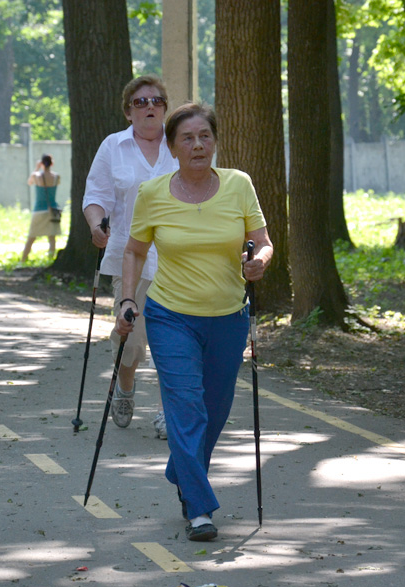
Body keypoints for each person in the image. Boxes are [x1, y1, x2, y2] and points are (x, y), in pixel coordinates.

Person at [115, 103, 273, 542]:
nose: (198, 145)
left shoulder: (239, 185)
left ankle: (181, 468)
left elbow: (262, 242)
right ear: (172, 147)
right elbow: (135, 251)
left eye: (205, 136)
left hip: (228, 317)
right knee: (186, 406)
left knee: (216, 410)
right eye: (187, 138)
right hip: (171, 316)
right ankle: (198, 508)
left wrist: (259, 261)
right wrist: (128, 299)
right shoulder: (154, 193)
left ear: (215, 141)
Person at [82, 74, 179, 434]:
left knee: (173, 338)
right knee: (133, 340)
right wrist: (96, 225)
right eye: (141, 102)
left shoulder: (181, 142)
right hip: (131, 257)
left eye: (156, 101)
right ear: (128, 112)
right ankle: (125, 383)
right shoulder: (113, 147)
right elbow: (96, 196)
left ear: (165, 108)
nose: (150, 107)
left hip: (177, 259)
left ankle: (169, 408)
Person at [22, 154, 61, 262]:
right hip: (52, 210)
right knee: (52, 238)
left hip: (39, 209)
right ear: (52, 163)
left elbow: (29, 182)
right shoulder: (56, 177)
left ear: (42, 163)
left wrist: (37, 168)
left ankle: (23, 260)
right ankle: (50, 260)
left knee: (31, 237)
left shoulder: (37, 176)